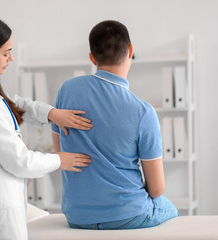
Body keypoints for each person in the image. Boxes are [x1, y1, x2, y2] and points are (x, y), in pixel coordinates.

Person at [0, 16, 92, 240]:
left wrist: (51, 114)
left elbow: (12, 104)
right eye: (6, 53)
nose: (11, 58)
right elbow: (19, 161)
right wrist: (60, 160)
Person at [51, 20, 179, 230]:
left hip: (76, 216)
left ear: (91, 57)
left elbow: (60, 153)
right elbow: (156, 189)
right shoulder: (143, 111)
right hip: (129, 215)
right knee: (171, 209)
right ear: (130, 51)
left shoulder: (67, 90)